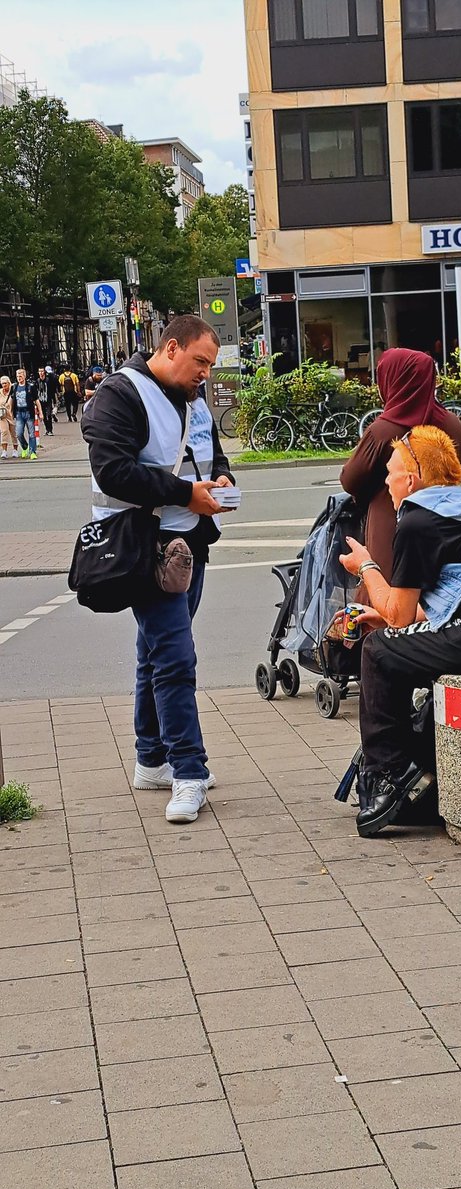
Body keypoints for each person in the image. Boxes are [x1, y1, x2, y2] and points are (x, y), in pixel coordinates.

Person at [339, 425, 461, 837]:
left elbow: (398, 616)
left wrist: (366, 567)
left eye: (390, 474)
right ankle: (430, 775)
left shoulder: (417, 520)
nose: (386, 483)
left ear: (411, 480)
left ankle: (387, 777)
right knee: (395, 644)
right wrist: (392, 619)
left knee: (378, 651)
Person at [81, 313, 236, 825]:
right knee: (174, 658)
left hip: (190, 542)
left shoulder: (191, 395)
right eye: (200, 362)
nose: (206, 374)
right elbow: (113, 471)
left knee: (155, 654)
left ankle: (151, 760)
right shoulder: (120, 393)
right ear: (170, 348)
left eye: (210, 365)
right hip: (148, 547)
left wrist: (221, 479)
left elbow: (210, 452)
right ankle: (189, 772)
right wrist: (186, 493)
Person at [340, 348, 461, 591]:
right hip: (447, 525)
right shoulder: (452, 425)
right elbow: (460, 470)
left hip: (389, 527)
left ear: (392, 381)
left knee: (389, 598)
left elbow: (350, 480)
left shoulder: (383, 431)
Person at [10, 367, 42, 459]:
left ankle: (32, 452)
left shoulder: (30, 386)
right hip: (19, 413)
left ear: (24, 376)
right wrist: (11, 412)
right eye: (17, 376)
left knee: (32, 433)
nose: (19, 378)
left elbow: (36, 400)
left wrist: (40, 412)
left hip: (29, 412)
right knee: (19, 433)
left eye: (20, 376)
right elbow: (12, 400)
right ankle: (25, 447)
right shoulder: (14, 387)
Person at [0, 376, 19, 457]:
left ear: (9, 383)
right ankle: (4, 451)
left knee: (13, 433)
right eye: (2, 383)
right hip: (2, 416)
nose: (4, 385)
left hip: (12, 415)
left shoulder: (13, 392)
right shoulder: (0, 392)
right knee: (4, 432)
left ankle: (15, 450)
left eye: (5, 383)